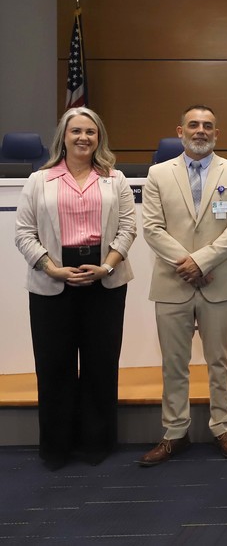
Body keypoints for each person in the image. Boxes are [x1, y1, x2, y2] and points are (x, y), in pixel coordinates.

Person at [14, 108, 136, 470]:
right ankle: (56, 447)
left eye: (91, 132)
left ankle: (96, 443)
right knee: (54, 367)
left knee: (101, 365)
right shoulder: (40, 180)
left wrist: (107, 265)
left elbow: (129, 228)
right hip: (52, 285)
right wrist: (52, 268)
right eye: (76, 131)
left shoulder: (116, 180)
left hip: (106, 283)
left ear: (99, 138)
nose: (83, 137)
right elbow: (23, 232)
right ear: (63, 137)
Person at [139, 105, 227, 466]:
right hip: (172, 283)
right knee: (174, 363)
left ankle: (223, 427)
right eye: (194, 125)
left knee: (220, 360)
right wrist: (187, 264)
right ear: (180, 131)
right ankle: (175, 433)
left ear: (217, 133)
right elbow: (152, 228)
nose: (200, 131)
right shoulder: (158, 174)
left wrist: (202, 261)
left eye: (208, 126)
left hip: (219, 281)